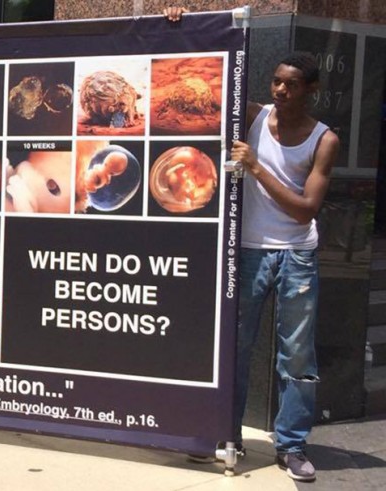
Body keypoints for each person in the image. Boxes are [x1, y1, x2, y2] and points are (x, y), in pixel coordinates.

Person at [166, 8, 338, 482]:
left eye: (291, 84)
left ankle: (293, 445)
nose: (279, 90)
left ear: (310, 90)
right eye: (276, 81)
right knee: (234, 347)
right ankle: (226, 434)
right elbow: (207, 87)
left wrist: (257, 168)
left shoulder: (324, 140)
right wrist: (178, 25)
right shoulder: (256, 116)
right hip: (247, 251)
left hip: (297, 255)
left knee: (296, 355)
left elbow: (305, 209)